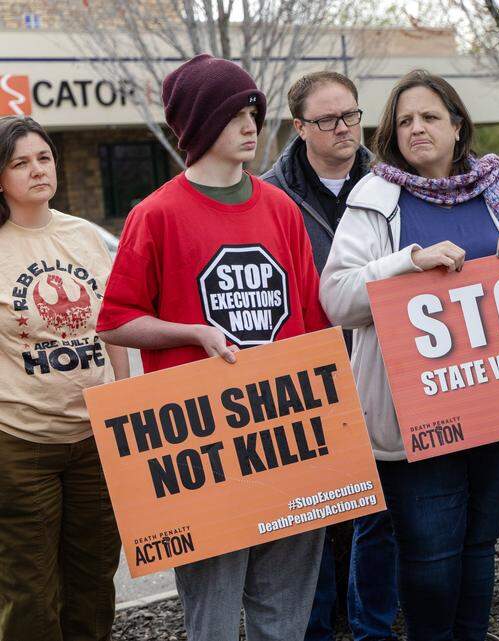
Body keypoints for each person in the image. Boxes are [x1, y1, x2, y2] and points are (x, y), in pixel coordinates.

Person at [96, 54, 330, 641]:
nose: (251, 123)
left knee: (285, 611)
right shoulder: (156, 215)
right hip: (201, 449)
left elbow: (310, 321)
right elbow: (116, 321)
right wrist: (191, 333)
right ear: (200, 124)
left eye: (254, 109)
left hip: (285, 435)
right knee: (215, 620)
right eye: (234, 112)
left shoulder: (281, 208)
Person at [319, 69, 499, 641]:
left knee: (478, 545)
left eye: (429, 117)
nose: (416, 128)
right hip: (414, 416)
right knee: (429, 557)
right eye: (404, 121)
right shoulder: (374, 200)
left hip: (498, 406)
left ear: (457, 124)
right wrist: (406, 264)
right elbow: (337, 298)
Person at [262, 70, 399, 641]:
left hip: (383, 368)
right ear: (299, 127)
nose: (344, 128)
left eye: (351, 115)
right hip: (312, 375)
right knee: (315, 517)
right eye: (327, 120)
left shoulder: (391, 182)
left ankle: (374, 627)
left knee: (381, 516)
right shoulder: (272, 195)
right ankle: (314, 630)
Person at [0, 115, 127, 641]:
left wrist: (123, 397)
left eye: (44, 158)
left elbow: (115, 324)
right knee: (29, 592)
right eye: (20, 163)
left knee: (94, 580)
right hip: (19, 443)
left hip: (95, 438)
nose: (37, 170)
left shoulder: (87, 237)